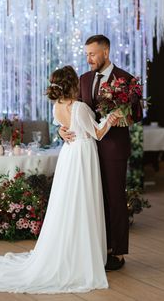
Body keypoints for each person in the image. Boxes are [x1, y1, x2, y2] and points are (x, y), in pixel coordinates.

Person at [0, 66, 119, 294]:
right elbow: (98, 133)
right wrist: (112, 117)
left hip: (69, 155)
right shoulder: (79, 107)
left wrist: (64, 131)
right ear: (73, 84)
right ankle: (83, 256)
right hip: (82, 155)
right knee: (83, 202)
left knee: (69, 204)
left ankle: (70, 249)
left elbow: (64, 127)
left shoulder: (57, 106)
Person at [60, 35, 143, 271]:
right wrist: (61, 130)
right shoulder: (83, 79)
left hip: (113, 150)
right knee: (91, 199)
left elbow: (136, 114)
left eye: (92, 54)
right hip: (86, 150)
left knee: (114, 199)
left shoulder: (126, 80)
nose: (88, 59)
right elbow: (70, 110)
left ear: (106, 52)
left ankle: (116, 253)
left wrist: (122, 118)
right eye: (86, 54)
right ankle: (95, 249)